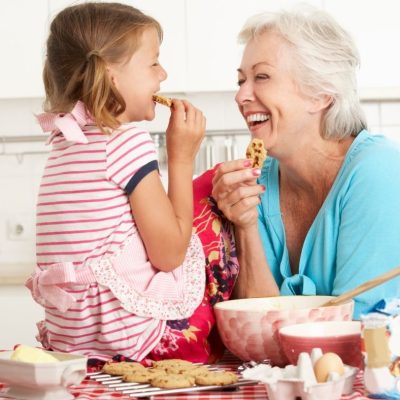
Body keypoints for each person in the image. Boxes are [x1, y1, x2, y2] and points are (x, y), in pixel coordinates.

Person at [25, 2, 238, 363]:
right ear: (112, 74)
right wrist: (181, 157)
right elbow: (170, 255)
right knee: (212, 207)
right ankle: (225, 352)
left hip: (70, 342)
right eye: (153, 62)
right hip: (135, 341)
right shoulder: (125, 141)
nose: (163, 74)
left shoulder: (63, 142)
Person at [211, 5, 400, 319]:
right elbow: (254, 322)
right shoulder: (255, 184)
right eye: (241, 80)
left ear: (320, 94)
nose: (241, 95)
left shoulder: (379, 172)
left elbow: (357, 329)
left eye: (261, 77)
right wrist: (244, 225)